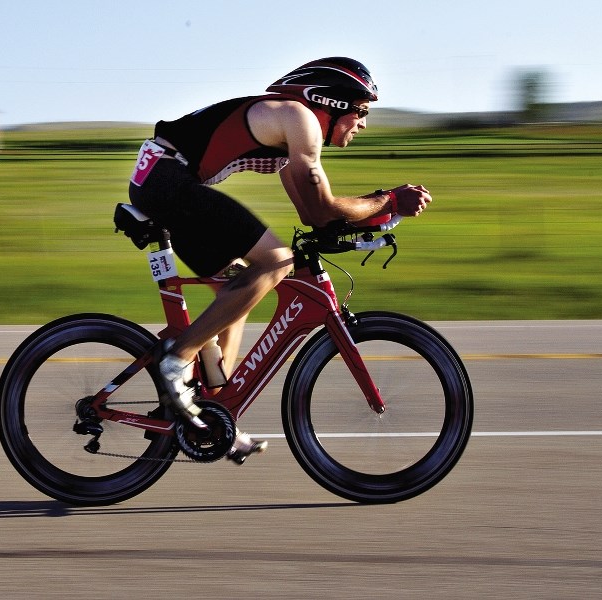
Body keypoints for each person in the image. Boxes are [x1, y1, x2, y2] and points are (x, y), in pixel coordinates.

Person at [127, 57, 432, 463]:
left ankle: (214, 413)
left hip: (162, 178)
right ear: (331, 101)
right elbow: (324, 209)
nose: (363, 123)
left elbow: (313, 215)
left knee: (239, 289)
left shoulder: (289, 135)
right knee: (276, 262)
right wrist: (388, 199)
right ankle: (176, 360)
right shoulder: (299, 119)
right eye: (360, 111)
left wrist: (376, 215)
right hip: (166, 178)